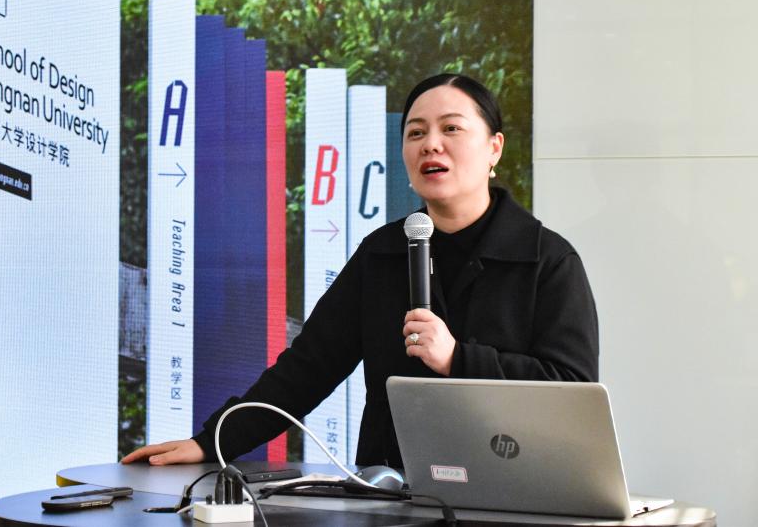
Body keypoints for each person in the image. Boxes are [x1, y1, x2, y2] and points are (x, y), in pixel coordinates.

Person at [122, 73, 599, 468]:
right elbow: (309, 366)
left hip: (513, 493)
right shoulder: (384, 254)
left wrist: (458, 359)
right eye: (415, 133)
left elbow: (574, 391)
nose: (431, 144)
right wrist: (212, 442)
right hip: (394, 495)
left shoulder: (547, 260)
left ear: (494, 147)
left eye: (451, 129)